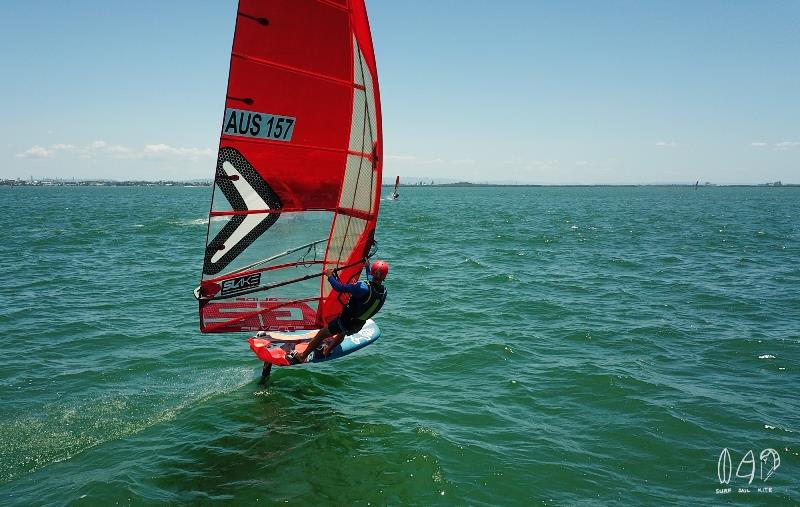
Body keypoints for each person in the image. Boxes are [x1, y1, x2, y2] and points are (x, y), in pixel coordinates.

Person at [287, 260, 389, 364]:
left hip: (346, 321)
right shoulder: (383, 291)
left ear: (372, 272)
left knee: (321, 334)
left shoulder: (362, 287)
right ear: (384, 277)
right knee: (342, 333)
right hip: (358, 325)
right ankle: (328, 349)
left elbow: (339, 287)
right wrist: (367, 267)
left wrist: (330, 276)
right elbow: (374, 281)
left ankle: (302, 356)